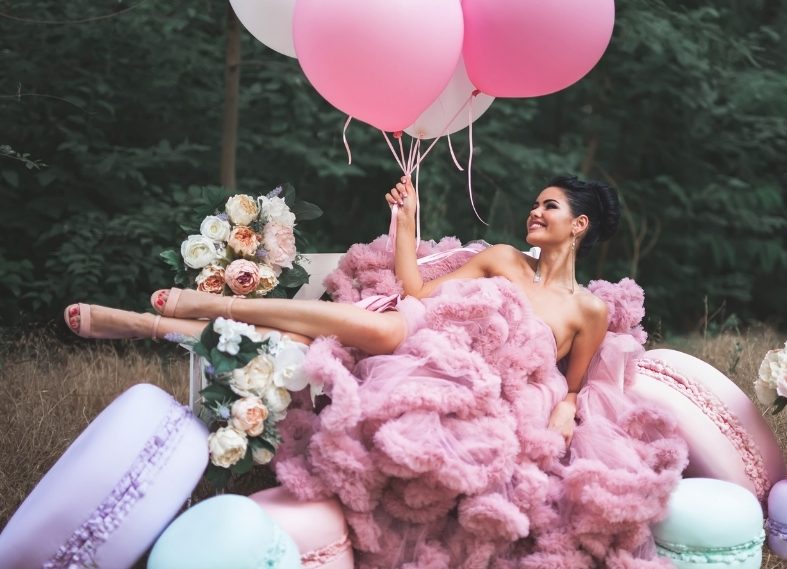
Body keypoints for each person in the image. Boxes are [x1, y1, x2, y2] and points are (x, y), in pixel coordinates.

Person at [65, 175, 617, 445]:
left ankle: (152, 324)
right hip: (417, 330)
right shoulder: (502, 258)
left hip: (466, 383)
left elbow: (572, 383)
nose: (535, 211)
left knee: (328, 340)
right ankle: (194, 307)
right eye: (537, 203)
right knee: (366, 326)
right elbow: (418, 292)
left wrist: (566, 409)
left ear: (580, 224)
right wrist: (409, 220)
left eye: (550, 205)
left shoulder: (588, 311)